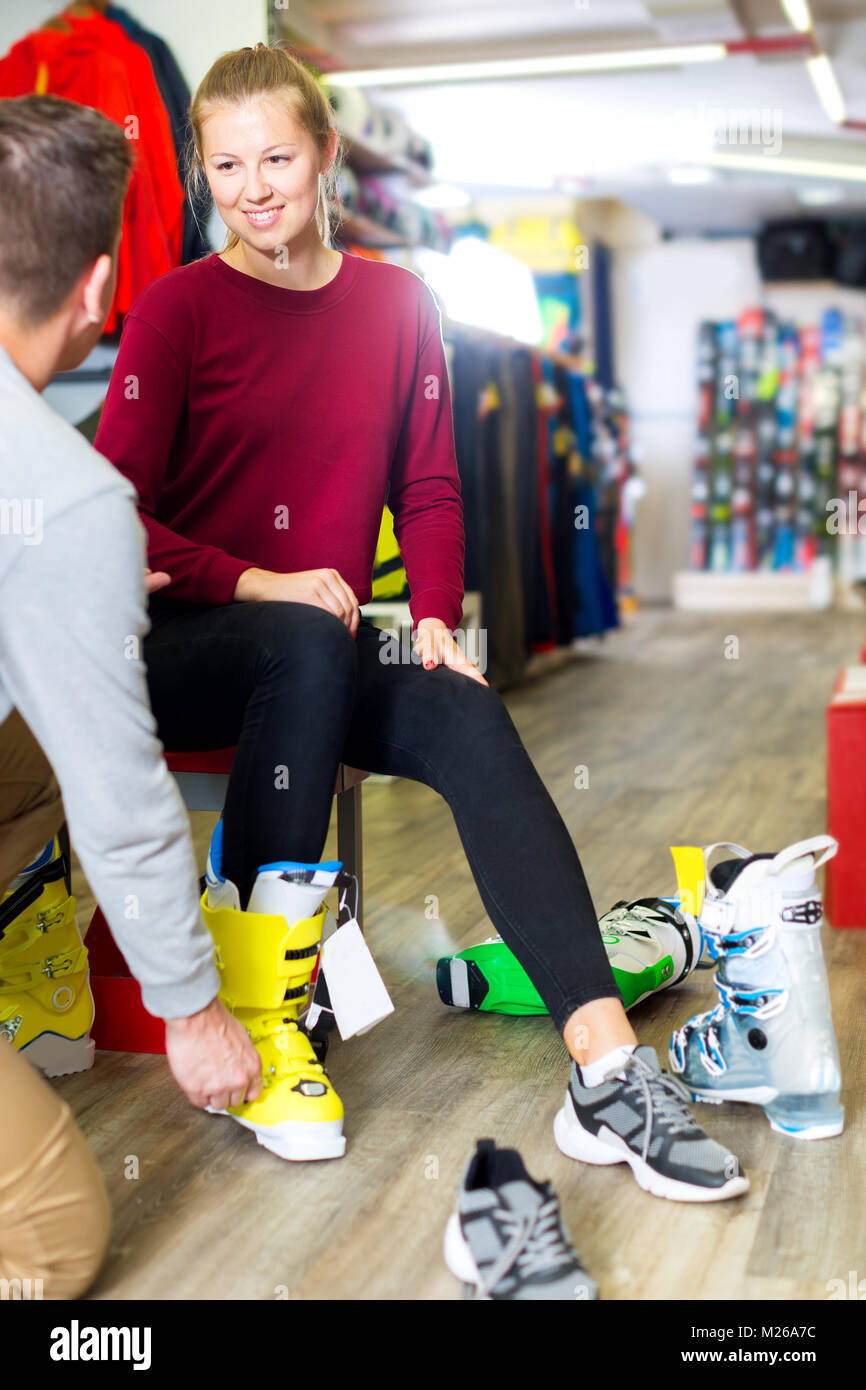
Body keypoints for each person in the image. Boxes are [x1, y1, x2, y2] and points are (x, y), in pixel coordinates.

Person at [94, 42, 748, 1201]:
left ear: (327, 156)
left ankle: (604, 1063)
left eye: (278, 158)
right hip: (186, 647)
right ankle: (265, 1018)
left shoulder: (399, 305)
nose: (253, 188)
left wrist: (438, 620)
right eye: (227, 164)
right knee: (305, 634)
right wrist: (258, 580)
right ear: (199, 173)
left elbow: (431, 487)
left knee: (456, 707)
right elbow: (114, 520)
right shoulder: (172, 311)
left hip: (320, 650)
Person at [0, 94, 262, 1297]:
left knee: (28, 759)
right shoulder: (63, 493)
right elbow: (121, 789)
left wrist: (83, 590)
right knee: (50, 1239)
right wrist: (194, 1012)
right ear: (104, 286)